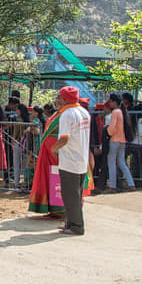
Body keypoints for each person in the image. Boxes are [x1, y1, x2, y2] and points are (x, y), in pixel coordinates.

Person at [50, 87, 91, 235]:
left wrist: (54, 149)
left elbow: (64, 139)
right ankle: (70, 223)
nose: (57, 100)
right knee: (76, 195)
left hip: (69, 161)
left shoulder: (67, 115)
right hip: (81, 160)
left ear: (65, 99)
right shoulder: (84, 112)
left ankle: (76, 226)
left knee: (70, 196)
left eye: (59, 97)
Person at [105, 93, 135, 192]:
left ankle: (112, 186)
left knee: (111, 163)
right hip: (122, 140)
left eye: (110, 101)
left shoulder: (115, 112)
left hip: (114, 140)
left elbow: (112, 127)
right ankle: (131, 184)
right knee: (122, 163)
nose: (109, 103)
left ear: (114, 102)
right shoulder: (122, 111)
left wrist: (108, 131)